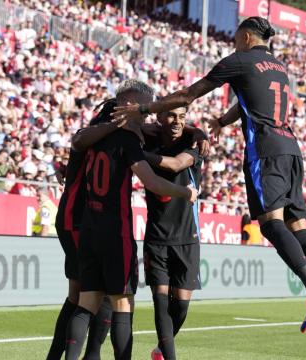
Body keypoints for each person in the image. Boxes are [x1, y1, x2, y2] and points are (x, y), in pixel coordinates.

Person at [113, 17, 306, 346]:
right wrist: (225, 120)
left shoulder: (239, 59)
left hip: (265, 151)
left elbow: (187, 95)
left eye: (236, 38)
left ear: (246, 36)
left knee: (270, 223)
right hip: (292, 151)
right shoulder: (279, 66)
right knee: (299, 227)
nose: (233, 43)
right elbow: (252, 100)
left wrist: (145, 108)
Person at [65, 80, 198, 360]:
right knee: (122, 306)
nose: (146, 114)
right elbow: (153, 183)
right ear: (128, 104)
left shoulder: (96, 134)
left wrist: (195, 130)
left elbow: (77, 142)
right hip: (116, 232)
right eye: (142, 108)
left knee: (86, 303)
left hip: (89, 228)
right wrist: (185, 192)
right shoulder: (127, 140)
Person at [46, 98, 126, 360]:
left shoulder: (99, 133)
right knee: (96, 293)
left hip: (78, 219)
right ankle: (88, 355)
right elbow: (79, 144)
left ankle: (60, 356)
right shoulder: (97, 135)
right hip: (78, 219)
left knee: (80, 294)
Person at [141, 107, 203, 360]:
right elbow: (133, 127)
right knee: (161, 303)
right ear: (159, 117)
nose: (177, 121)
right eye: (171, 115)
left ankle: (160, 349)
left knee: (181, 308)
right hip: (156, 237)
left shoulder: (194, 145)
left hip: (188, 237)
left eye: (182, 117)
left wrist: (137, 156)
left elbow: (176, 164)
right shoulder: (148, 141)